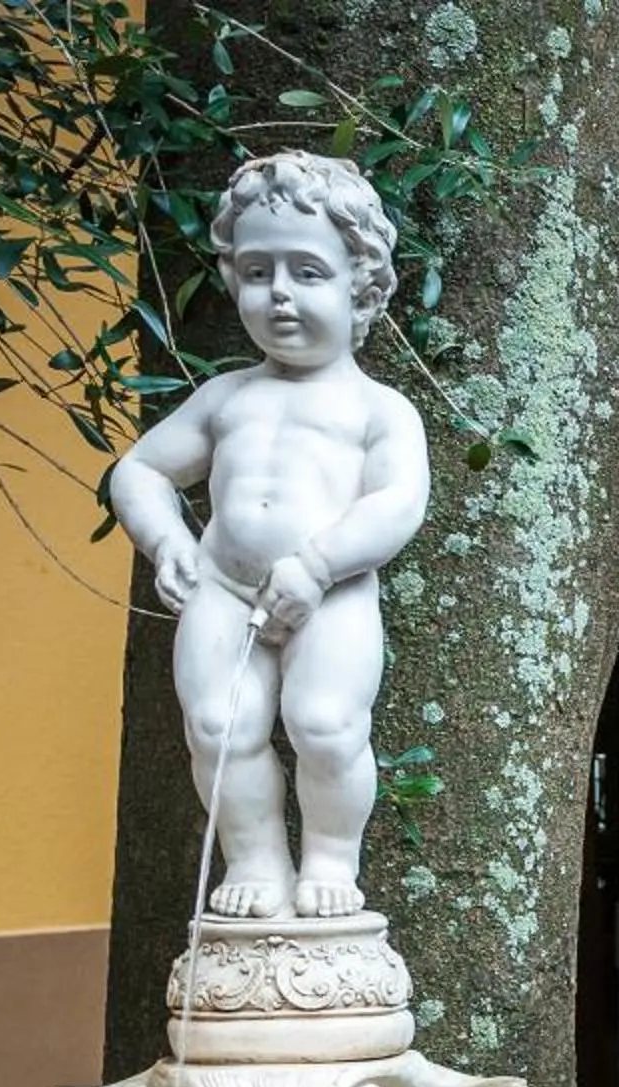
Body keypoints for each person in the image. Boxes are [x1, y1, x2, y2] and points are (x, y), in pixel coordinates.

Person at [110, 152, 431, 920]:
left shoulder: (378, 410)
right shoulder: (226, 398)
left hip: (333, 594)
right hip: (223, 585)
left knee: (325, 725)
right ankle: (253, 860)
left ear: (361, 285)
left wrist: (318, 566)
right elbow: (139, 472)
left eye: (307, 273)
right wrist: (168, 542)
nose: (279, 294)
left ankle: (329, 858)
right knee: (219, 728)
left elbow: (397, 503)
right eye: (257, 272)